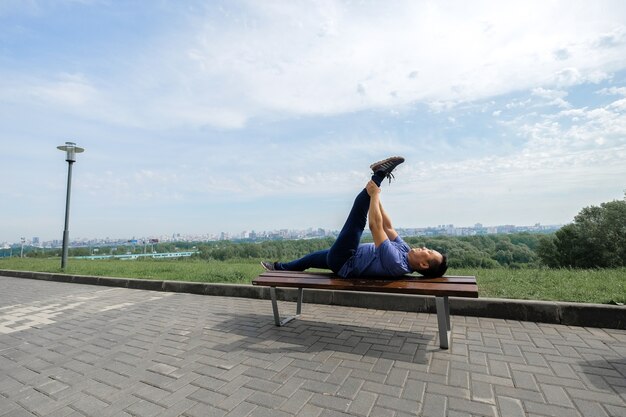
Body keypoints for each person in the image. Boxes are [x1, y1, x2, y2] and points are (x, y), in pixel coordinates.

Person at [261, 157, 448, 278]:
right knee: (309, 260)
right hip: (346, 255)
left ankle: (379, 174)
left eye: (429, 251)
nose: (425, 247)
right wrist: (376, 196)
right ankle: (279, 268)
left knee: (357, 220)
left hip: (344, 260)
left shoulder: (397, 263)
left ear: (423, 264)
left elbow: (376, 227)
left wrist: (374, 194)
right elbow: (388, 227)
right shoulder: (405, 251)